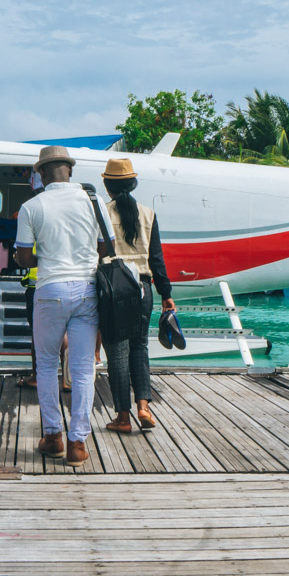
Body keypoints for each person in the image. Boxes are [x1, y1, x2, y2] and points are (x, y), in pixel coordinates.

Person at [14, 145, 101, 467]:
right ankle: (78, 444)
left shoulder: (31, 206)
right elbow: (106, 246)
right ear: (71, 170)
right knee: (81, 368)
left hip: (50, 289)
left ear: (40, 174)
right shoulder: (94, 203)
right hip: (87, 290)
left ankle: (53, 437)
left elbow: (24, 258)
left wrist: (48, 255)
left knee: (48, 365)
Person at [101, 158, 176, 433]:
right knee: (139, 347)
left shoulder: (102, 214)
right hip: (143, 288)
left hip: (113, 287)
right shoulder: (148, 213)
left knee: (116, 352)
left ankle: (123, 417)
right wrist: (166, 294)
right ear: (133, 185)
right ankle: (144, 406)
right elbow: (157, 259)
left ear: (107, 186)